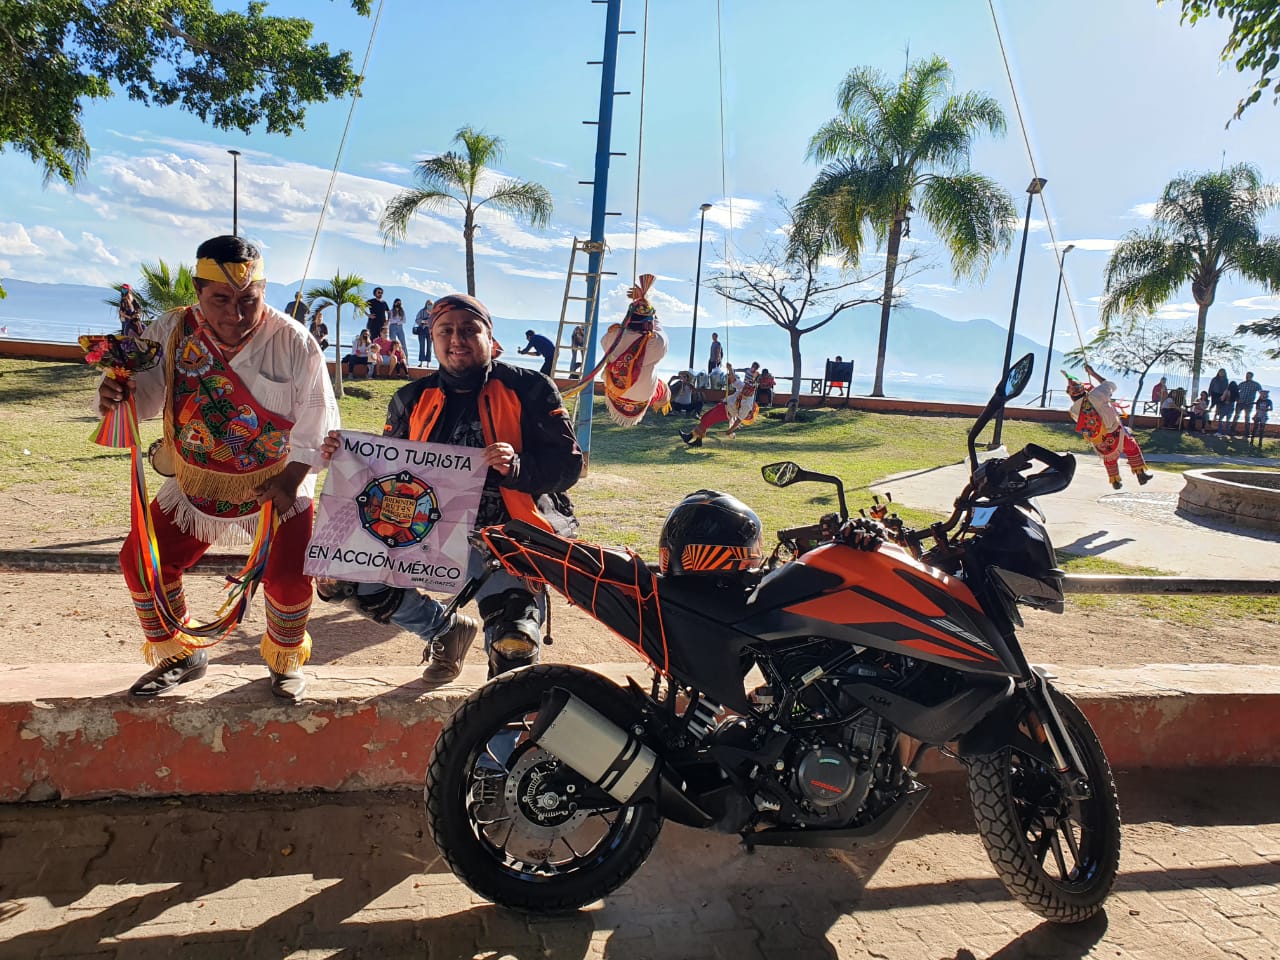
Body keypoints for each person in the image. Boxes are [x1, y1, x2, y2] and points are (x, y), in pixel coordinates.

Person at [96, 235, 340, 700]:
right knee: (142, 561)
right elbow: (142, 398)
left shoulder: (294, 340)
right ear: (197, 290)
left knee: (289, 578)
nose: (235, 314)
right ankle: (180, 652)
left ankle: (283, 658)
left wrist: (292, 478)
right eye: (220, 300)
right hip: (194, 485)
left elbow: (319, 418)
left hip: (278, 484)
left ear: (265, 289)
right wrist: (115, 397)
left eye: (250, 300)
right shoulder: (169, 331)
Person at [317, 293, 582, 683]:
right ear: (432, 336)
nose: (456, 338)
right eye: (446, 330)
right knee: (346, 578)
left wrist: (518, 466)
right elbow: (388, 474)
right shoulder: (410, 398)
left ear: (489, 337)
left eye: (468, 329)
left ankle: (506, 731)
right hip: (427, 532)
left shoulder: (530, 388)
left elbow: (568, 464)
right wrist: (345, 457)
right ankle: (443, 630)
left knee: (514, 644)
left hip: (506, 538)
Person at [1062, 362, 1153, 490]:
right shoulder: (1097, 394)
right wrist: (1093, 374)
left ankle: (1115, 480)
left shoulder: (1073, 410)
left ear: (1071, 395)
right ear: (1084, 389)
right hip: (1116, 432)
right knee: (1131, 447)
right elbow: (1110, 385)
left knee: (1109, 457)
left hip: (1099, 439)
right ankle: (1140, 473)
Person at [1233, 372, 1261, 436]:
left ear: (1252, 377)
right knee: (1236, 416)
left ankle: (1247, 432)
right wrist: (1236, 399)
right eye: (1246, 376)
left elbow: (1261, 392)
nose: (1247, 377)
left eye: (1249, 376)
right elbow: (1235, 391)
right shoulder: (1242, 384)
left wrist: (1257, 401)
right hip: (1240, 402)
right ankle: (1232, 430)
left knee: (1247, 418)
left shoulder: (1256, 384)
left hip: (1249, 403)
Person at [413, 298, 434, 365]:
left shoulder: (434, 313)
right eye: (429, 304)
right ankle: (421, 362)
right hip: (422, 330)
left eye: (431, 304)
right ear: (426, 304)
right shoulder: (422, 311)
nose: (430, 305)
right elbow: (417, 320)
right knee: (422, 346)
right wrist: (423, 321)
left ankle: (428, 363)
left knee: (429, 347)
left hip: (430, 331)